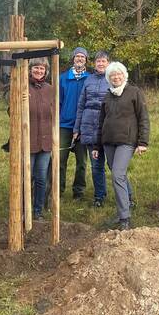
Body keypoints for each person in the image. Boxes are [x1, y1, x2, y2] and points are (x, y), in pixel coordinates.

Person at [93, 61, 150, 230]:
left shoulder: (134, 92)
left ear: (124, 75)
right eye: (112, 75)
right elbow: (101, 121)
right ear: (108, 78)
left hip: (127, 141)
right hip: (109, 141)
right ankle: (129, 199)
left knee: (117, 174)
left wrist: (143, 142)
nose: (116, 77)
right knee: (118, 173)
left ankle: (124, 217)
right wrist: (97, 146)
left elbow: (143, 117)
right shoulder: (107, 95)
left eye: (119, 74)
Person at [73, 50, 111, 207]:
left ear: (108, 63)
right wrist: (77, 128)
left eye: (103, 61)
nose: (100, 64)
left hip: (108, 127)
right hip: (89, 126)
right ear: (94, 63)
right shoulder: (88, 80)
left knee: (114, 165)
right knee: (96, 165)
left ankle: (127, 197)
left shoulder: (113, 78)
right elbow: (81, 105)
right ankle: (99, 196)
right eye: (98, 61)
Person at [58, 47, 90, 199]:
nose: (79, 59)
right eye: (77, 56)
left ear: (86, 60)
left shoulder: (89, 79)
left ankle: (78, 192)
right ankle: (58, 190)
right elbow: (57, 102)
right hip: (64, 125)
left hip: (83, 127)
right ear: (73, 59)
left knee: (82, 162)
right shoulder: (63, 78)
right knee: (60, 160)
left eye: (82, 57)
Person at [28, 57, 55, 219]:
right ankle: (24, 209)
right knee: (27, 176)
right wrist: (20, 101)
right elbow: (12, 113)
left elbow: (55, 112)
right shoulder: (23, 87)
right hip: (29, 140)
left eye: (42, 69)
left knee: (41, 178)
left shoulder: (50, 89)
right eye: (36, 68)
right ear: (30, 69)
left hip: (46, 141)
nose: (39, 71)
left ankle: (38, 211)